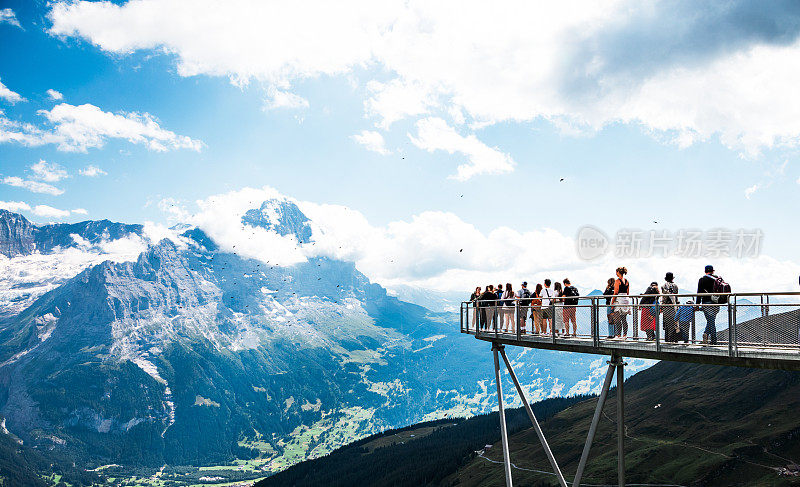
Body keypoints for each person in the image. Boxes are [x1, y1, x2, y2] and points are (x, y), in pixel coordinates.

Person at [697, 265, 719, 344]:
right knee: (711, 321)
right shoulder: (717, 279)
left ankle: (713, 340)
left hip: (706, 303)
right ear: (713, 271)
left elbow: (699, 293)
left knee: (711, 321)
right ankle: (708, 335)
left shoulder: (702, 280)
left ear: (705, 271)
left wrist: (697, 304)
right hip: (716, 303)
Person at [610, 267, 631, 338]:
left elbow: (615, 292)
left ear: (618, 272)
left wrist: (612, 303)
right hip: (626, 300)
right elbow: (628, 292)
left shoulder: (617, 281)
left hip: (619, 300)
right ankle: (625, 335)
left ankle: (618, 335)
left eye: (616, 272)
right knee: (624, 319)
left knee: (617, 319)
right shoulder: (627, 281)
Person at [661, 272, 679, 342]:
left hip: (667, 306)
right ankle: (675, 339)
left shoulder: (664, 286)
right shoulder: (675, 286)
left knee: (667, 323)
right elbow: (676, 297)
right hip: (674, 306)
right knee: (675, 323)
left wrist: (662, 306)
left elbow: (664, 298)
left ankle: (668, 339)